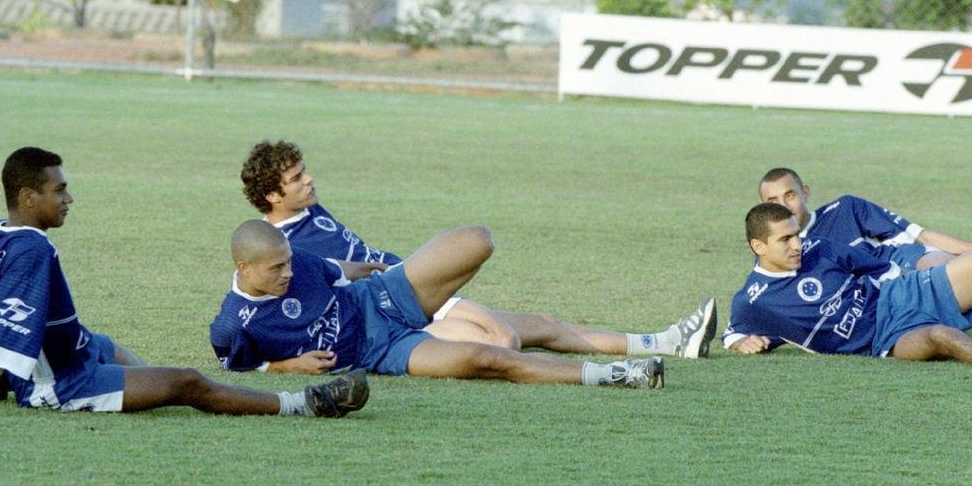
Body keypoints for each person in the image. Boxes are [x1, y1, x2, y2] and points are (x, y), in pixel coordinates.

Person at [0, 147, 368, 418]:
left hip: (72, 356)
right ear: (30, 198)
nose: (68, 199)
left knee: (104, 344)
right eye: (59, 190)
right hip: (61, 386)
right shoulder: (34, 250)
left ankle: (10, 381)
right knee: (187, 383)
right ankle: (303, 404)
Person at [237, 139, 717, 368]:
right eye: (297, 179)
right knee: (503, 336)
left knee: (542, 323)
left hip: (408, 292)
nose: (310, 181)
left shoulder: (306, 212)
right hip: (396, 307)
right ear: (274, 198)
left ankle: (664, 342)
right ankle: (615, 370)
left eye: (305, 172)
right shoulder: (286, 251)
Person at [210, 220, 668, 388]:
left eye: (288, 262)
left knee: (476, 240)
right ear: (244, 268)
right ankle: (622, 374)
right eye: (275, 270)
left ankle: (443, 306)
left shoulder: (297, 260)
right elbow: (237, 370)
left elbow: (343, 272)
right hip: (381, 352)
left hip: (381, 298)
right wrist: (288, 368)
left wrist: (390, 273)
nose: (287, 273)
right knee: (489, 358)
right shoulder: (233, 325)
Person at [722, 202, 972, 371]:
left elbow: (880, 266)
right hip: (885, 341)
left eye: (797, 234)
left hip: (902, 295)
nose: (797, 244)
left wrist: (924, 277)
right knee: (941, 338)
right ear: (759, 247)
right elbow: (731, 332)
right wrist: (739, 342)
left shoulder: (819, 248)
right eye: (786, 239)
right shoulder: (754, 301)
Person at [757, 167, 972, 297]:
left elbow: (922, 236)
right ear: (763, 206)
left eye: (790, 195)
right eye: (773, 201)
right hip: (872, 299)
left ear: (805, 193)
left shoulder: (845, 208)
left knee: (934, 265)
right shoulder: (778, 253)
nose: (784, 205)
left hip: (901, 261)